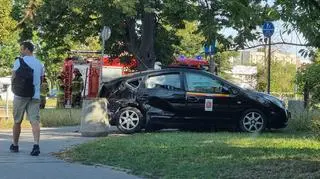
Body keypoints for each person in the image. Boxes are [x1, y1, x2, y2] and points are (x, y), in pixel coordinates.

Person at [10, 41, 44, 156]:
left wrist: (15, 89)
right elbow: (41, 79)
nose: (21, 51)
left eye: (22, 49)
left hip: (20, 95)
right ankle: (36, 145)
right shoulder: (39, 63)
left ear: (27, 49)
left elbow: (13, 77)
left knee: (17, 121)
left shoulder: (18, 61)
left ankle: (15, 145)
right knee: (35, 121)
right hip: (34, 95)